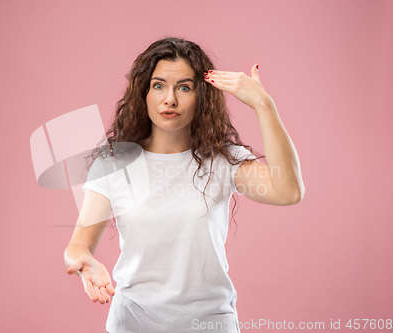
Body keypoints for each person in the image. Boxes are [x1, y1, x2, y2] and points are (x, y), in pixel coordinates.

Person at [64, 37, 305, 333]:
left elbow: (288, 191)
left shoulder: (223, 160)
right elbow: (77, 245)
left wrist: (264, 105)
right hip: (133, 322)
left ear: (201, 96)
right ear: (144, 93)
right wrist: (85, 261)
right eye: (158, 85)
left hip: (210, 324)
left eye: (184, 87)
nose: (170, 99)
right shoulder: (114, 163)